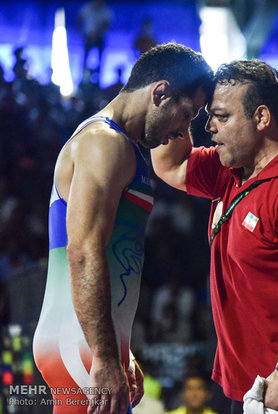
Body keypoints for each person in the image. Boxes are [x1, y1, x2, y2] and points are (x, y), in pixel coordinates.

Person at [151, 59, 278, 414]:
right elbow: (170, 164)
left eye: (222, 117)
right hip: (246, 386)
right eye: (207, 115)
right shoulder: (230, 169)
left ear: (261, 118)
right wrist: (178, 101)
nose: (209, 127)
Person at [32, 43, 212, 414]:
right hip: (78, 343)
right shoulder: (104, 143)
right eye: (187, 115)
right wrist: (103, 354)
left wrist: (121, 350)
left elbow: (114, 260)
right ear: (159, 93)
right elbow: (83, 250)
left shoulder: (125, 148)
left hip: (87, 341)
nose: (183, 131)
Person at [77, 0, 113, 81]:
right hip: (88, 38)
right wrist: (83, 33)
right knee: (85, 60)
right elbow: (79, 20)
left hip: (99, 38)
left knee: (99, 61)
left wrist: (96, 34)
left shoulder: (105, 10)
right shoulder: (86, 8)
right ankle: (83, 79)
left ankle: (98, 80)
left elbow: (107, 24)